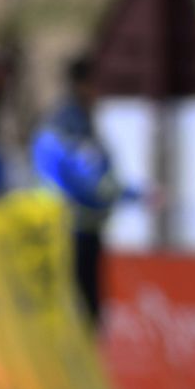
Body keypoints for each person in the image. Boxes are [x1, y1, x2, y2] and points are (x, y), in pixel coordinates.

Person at [31, 56, 123, 328]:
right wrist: (124, 193)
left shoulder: (76, 120)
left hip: (80, 226)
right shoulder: (69, 125)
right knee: (79, 309)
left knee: (86, 306)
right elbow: (87, 177)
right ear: (84, 85)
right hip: (70, 228)